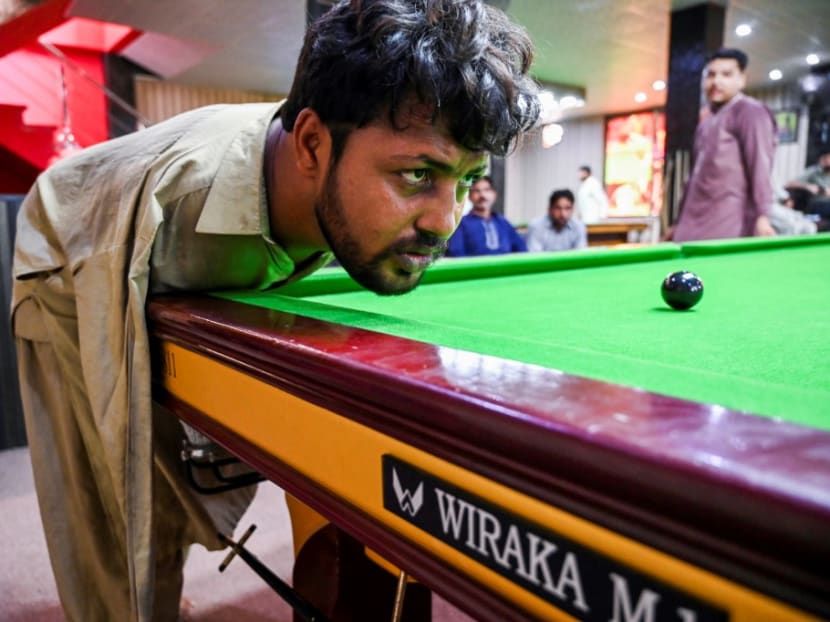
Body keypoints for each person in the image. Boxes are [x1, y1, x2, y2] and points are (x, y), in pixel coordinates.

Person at [9, 1, 541, 621]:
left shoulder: (331, 169)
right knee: (112, 507)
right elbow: (115, 435)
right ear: (312, 143)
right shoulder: (177, 211)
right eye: (419, 173)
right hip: (68, 256)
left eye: (466, 179)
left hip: (180, 241)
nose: (444, 222)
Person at [668, 47, 777, 242]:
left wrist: (762, 215)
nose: (716, 81)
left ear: (741, 79)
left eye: (726, 74)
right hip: (692, 222)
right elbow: (694, 177)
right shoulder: (707, 119)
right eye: (710, 75)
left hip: (728, 222)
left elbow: (760, 164)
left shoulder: (750, 112)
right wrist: (678, 222)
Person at [445, 176, 527, 256]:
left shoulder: (503, 223)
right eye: (476, 191)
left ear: (494, 194)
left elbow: (522, 250)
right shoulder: (461, 224)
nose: (482, 195)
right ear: (469, 196)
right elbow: (456, 255)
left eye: (486, 190)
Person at [785, 150, 830, 226]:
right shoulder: (814, 171)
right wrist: (809, 186)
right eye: (825, 158)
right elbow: (790, 183)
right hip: (817, 204)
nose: (826, 161)